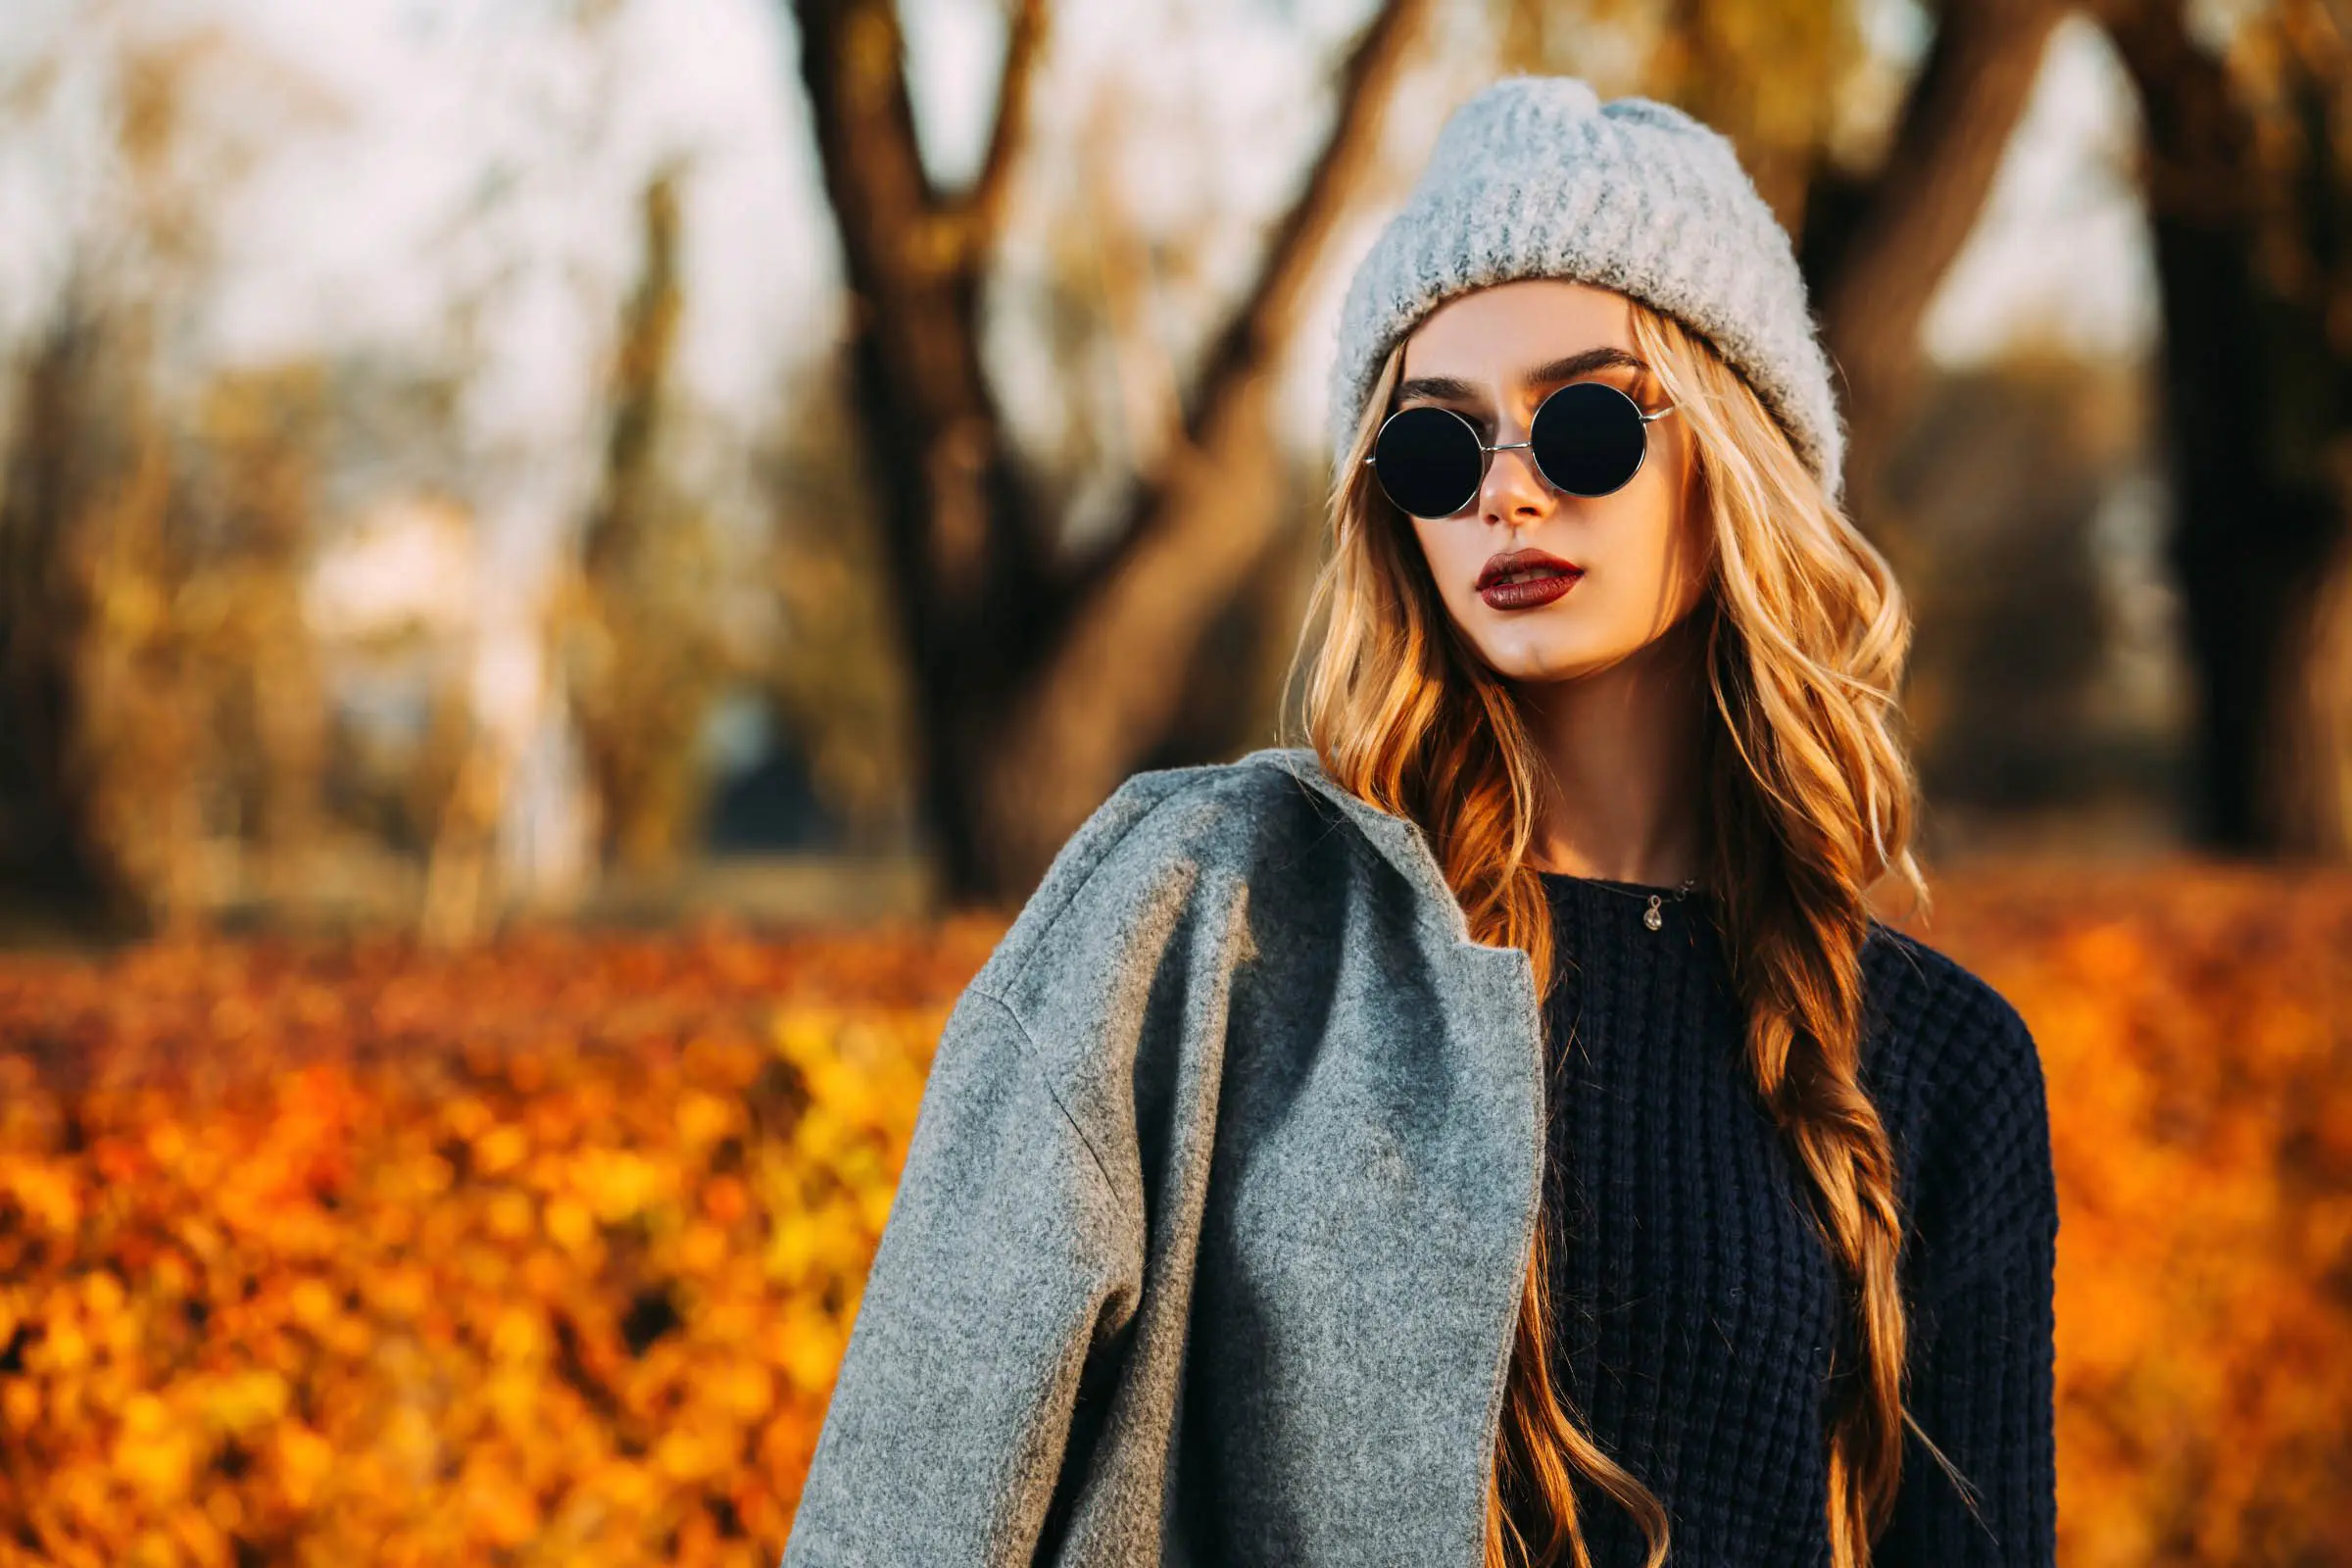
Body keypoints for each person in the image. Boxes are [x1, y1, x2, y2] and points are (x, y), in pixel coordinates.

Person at [778, 74, 2057, 1568]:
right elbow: (918, 1488)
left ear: (1738, 455)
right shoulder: (1216, 918)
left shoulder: (1935, 1063)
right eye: (1440, 450)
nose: (1508, 494)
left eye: (1583, 427)